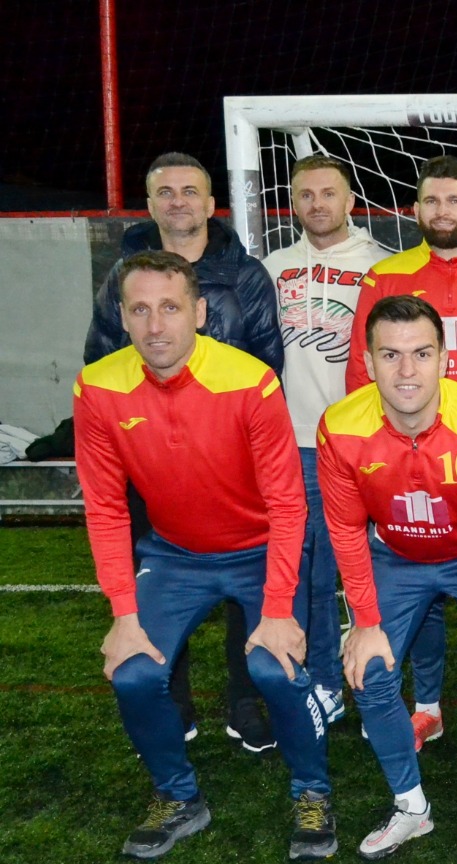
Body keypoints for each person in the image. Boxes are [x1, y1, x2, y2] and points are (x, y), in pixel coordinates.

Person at [74, 250, 333, 861]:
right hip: (175, 555)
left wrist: (277, 609)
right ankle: (178, 796)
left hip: (260, 548)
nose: (155, 325)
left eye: (170, 308)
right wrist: (123, 614)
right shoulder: (98, 386)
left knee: (274, 666)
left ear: (199, 312)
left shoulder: (250, 381)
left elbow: (287, 504)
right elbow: (106, 508)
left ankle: (313, 791)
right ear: (122, 317)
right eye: (140, 310)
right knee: (133, 672)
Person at [85, 151, 287, 753]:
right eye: (165, 192)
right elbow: (101, 355)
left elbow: (268, 359)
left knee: (247, 578)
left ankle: (245, 700)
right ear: (149, 205)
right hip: (147, 451)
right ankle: (172, 698)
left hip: (232, 451)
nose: (178, 201)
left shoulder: (246, 274)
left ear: (210, 203)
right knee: (162, 579)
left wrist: (224, 420)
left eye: (189, 191)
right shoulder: (123, 273)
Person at [318, 295, 457, 862]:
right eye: (390, 355)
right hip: (398, 556)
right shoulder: (339, 427)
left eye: (421, 353)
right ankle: (411, 806)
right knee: (369, 669)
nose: (406, 370)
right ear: (368, 361)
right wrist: (365, 622)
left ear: (445, 359)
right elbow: (346, 530)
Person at [346, 155, 457, 755]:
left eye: (454, 201)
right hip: (402, 461)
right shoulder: (385, 277)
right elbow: (360, 377)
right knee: (415, 585)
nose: (442, 211)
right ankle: (427, 707)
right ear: (416, 209)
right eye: (431, 200)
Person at [263, 154, 390, 728]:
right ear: (292, 202)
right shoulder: (273, 268)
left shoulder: (380, 266)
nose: (317, 204)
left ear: (349, 200)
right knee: (310, 567)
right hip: (299, 442)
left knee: (382, 565)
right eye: (306, 194)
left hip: (367, 441)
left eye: (328, 193)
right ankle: (322, 680)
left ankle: (380, 679)